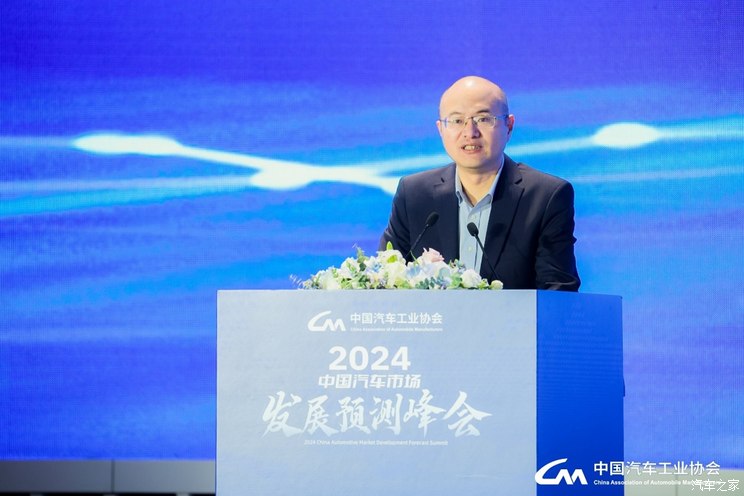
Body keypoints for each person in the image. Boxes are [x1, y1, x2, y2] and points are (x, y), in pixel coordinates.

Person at [379, 76, 580, 291]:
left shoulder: (546, 197)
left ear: (509, 126)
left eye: (483, 119)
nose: (470, 133)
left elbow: (557, 291)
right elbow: (384, 282)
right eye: (457, 121)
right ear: (441, 129)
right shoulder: (414, 194)